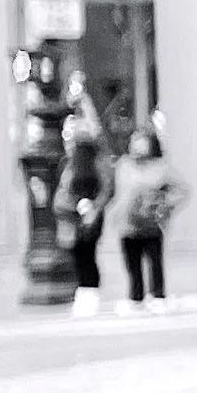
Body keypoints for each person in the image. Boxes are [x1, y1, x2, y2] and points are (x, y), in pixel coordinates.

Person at [108, 125, 187, 309]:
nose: (138, 146)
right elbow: (113, 190)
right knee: (132, 263)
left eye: (142, 142)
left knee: (154, 261)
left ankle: (158, 296)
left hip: (150, 223)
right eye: (135, 142)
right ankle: (135, 297)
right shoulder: (123, 165)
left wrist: (164, 205)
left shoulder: (161, 167)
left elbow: (181, 190)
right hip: (126, 222)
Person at [51, 117, 108, 318]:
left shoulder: (81, 164)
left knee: (84, 256)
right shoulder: (76, 163)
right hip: (82, 216)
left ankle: (88, 294)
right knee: (84, 256)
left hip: (85, 218)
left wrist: (90, 209)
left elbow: (103, 190)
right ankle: (87, 294)